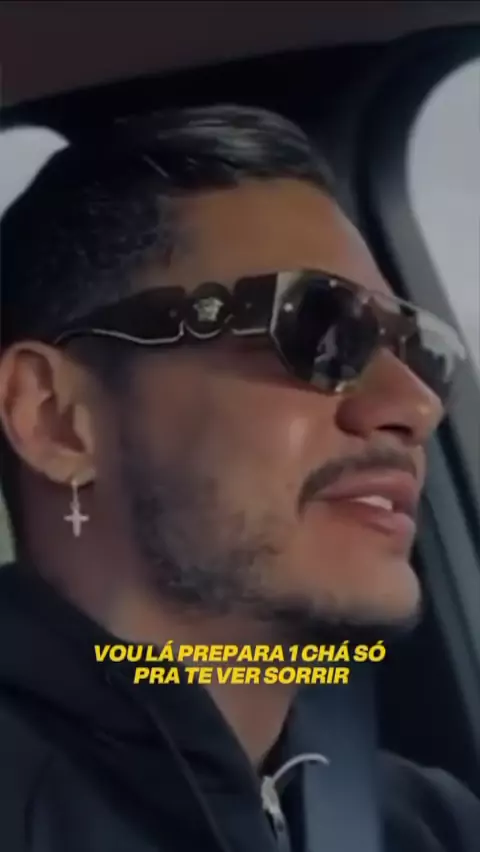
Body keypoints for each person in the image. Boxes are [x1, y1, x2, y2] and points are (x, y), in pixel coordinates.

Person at [0, 104, 478, 852]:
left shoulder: (430, 823)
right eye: (318, 329)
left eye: (422, 354)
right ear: (57, 418)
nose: (415, 406)